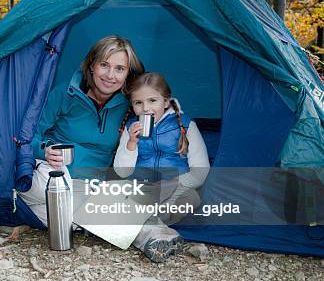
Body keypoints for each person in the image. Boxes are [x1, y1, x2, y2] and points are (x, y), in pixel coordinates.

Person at [19, 36, 145, 225]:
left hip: (92, 183)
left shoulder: (130, 105)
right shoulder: (65, 94)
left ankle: (55, 215)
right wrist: (44, 150)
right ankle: (69, 214)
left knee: (69, 215)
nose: (110, 76)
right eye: (104, 65)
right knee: (55, 190)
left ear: (128, 73)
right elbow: (29, 136)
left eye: (119, 69)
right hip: (53, 173)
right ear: (92, 65)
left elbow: (160, 105)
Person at [114, 72, 210, 262]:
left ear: (166, 102)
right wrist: (131, 144)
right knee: (112, 195)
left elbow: (200, 172)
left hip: (175, 190)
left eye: (152, 101)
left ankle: (141, 223)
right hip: (141, 190)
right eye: (138, 103)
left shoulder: (186, 126)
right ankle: (158, 234)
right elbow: (121, 172)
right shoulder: (130, 128)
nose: (145, 108)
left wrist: (171, 183)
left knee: (191, 198)